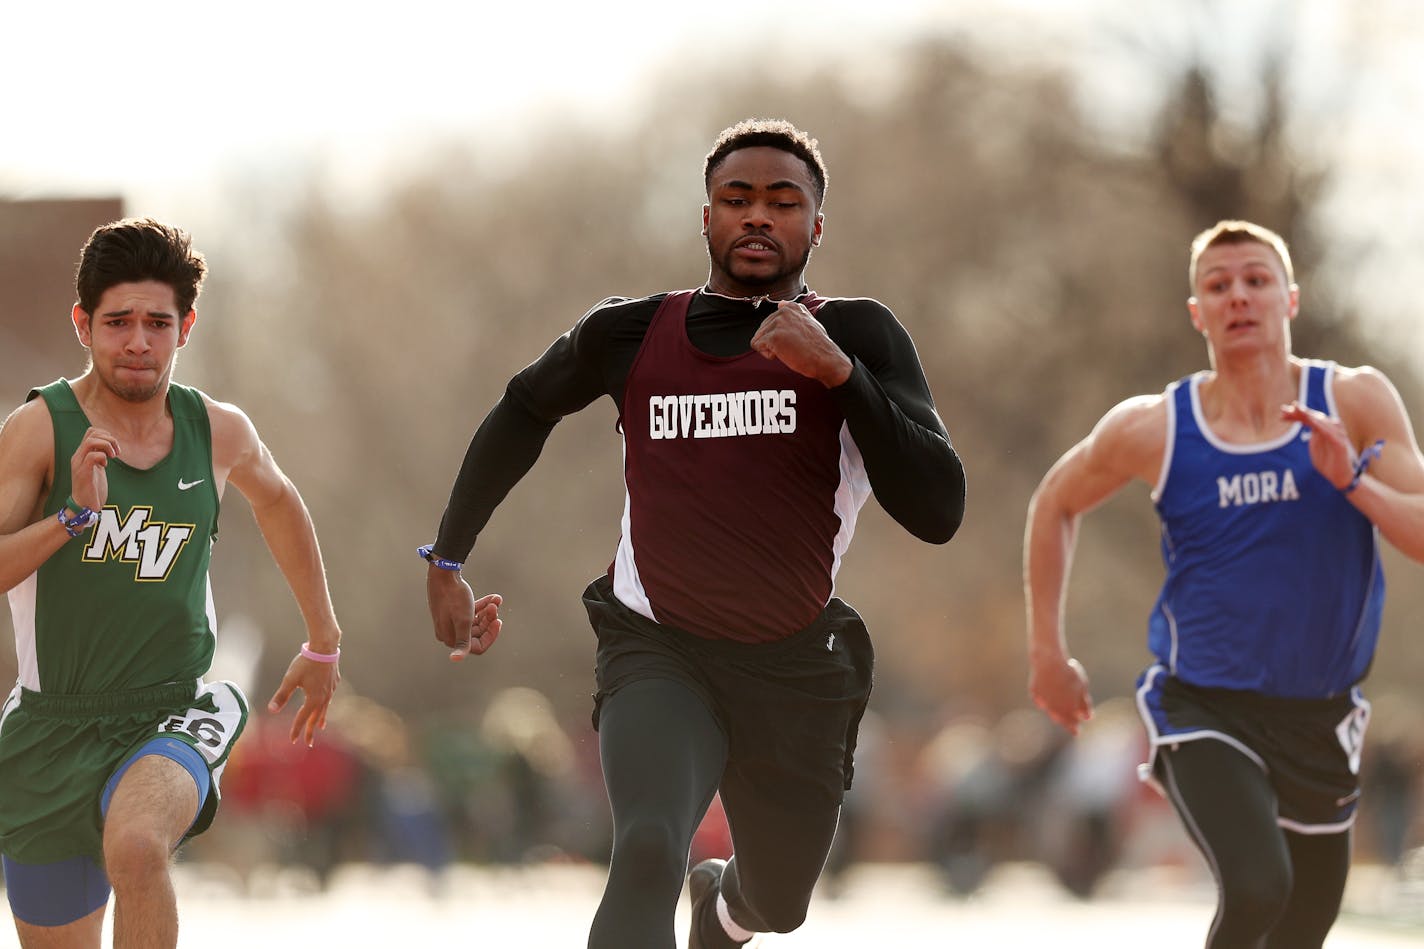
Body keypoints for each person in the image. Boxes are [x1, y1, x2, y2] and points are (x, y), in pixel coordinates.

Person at [422, 117, 965, 948]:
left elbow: (939, 511)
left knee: (778, 902)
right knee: (645, 848)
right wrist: (448, 556)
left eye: (784, 203)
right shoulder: (633, 333)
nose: (758, 216)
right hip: (658, 645)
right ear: (704, 217)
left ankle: (723, 913)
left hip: (795, 663)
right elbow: (524, 405)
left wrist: (840, 376)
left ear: (816, 226)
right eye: (735, 198)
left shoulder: (859, 334)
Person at [1024, 219, 1424, 947]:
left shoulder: (1356, 400)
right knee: (1257, 886)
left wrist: (1353, 481)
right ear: (1197, 311)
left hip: (1320, 713)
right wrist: (1047, 652)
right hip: (1203, 704)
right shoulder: (1154, 426)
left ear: (1290, 299)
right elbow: (1054, 502)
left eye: (1256, 280)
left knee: (1301, 925)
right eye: (1218, 284)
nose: (1238, 295)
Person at [0, 218, 343, 947]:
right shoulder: (37, 430)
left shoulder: (217, 430)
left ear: (185, 326)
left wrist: (323, 638)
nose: (138, 341)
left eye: (158, 323)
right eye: (118, 321)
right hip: (49, 725)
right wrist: (71, 516)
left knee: (136, 845)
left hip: (175, 709)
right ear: (83, 323)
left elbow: (278, 500)